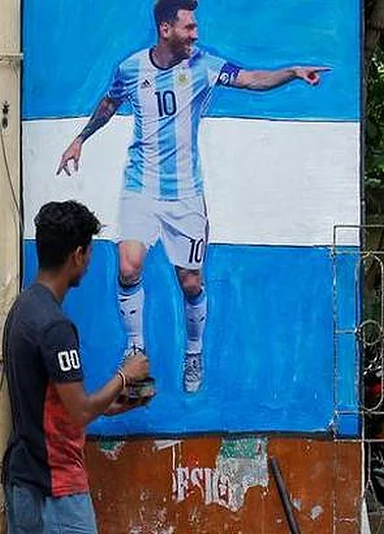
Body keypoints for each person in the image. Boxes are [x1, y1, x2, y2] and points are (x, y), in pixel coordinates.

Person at [56, 0, 328, 393]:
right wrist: (80, 139)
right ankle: (135, 349)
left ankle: (194, 351)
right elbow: (109, 103)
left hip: (185, 196)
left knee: (191, 284)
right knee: (129, 267)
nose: (196, 34)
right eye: (189, 27)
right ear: (165, 29)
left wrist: (292, 72)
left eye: (196, 27)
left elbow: (252, 79)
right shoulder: (131, 68)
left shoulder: (203, 66)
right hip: (140, 187)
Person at [1, 200, 151, 534]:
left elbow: (58, 404)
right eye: (90, 252)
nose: (90, 261)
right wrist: (125, 374)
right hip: (56, 487)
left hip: (23, 479)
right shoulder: (56, 327)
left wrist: (119, 402)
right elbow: (80, 411)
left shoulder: (22, 309)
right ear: (78, 254)